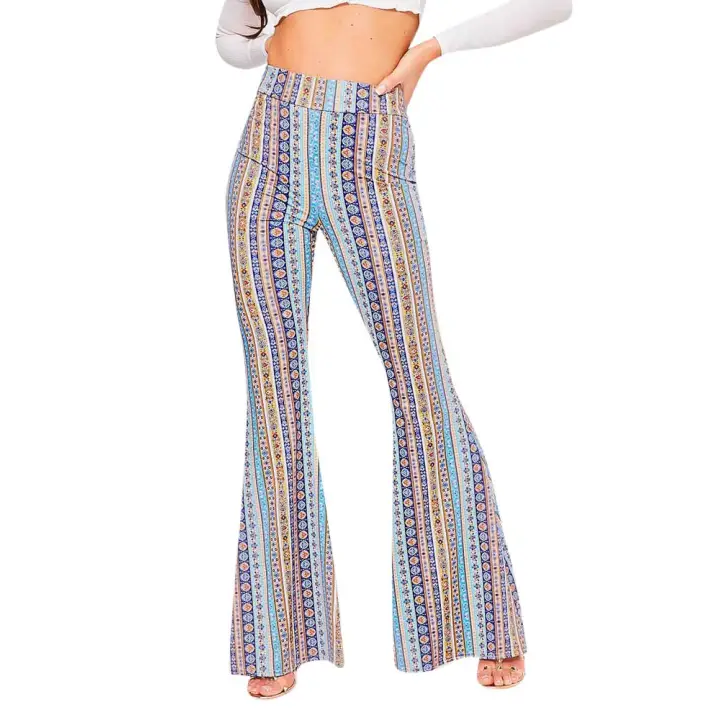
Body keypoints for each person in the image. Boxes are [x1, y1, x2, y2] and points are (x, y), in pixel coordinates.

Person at [215, 0, 572, 700]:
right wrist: (270, 45)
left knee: (421, 382)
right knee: (274, 393)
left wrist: (431, 50)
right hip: (268, 147)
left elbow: (552, 4)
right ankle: (275, 635)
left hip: (368, 143)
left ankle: (482, 620)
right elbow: (230, 39)